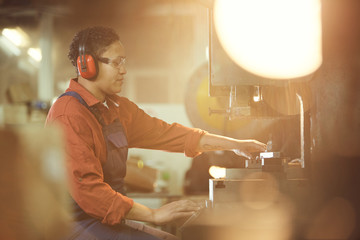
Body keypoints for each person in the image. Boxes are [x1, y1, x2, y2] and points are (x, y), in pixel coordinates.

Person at [45, 26, 267, 240]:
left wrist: (235, 145)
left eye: (124, 61)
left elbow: (169, 134)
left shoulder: (116, 109)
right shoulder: (69, 116)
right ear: (87, 65)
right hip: (74, 226)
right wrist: (154, 214)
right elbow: (90, 194)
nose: (124, 70)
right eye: (116, 62)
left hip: (105, 220)